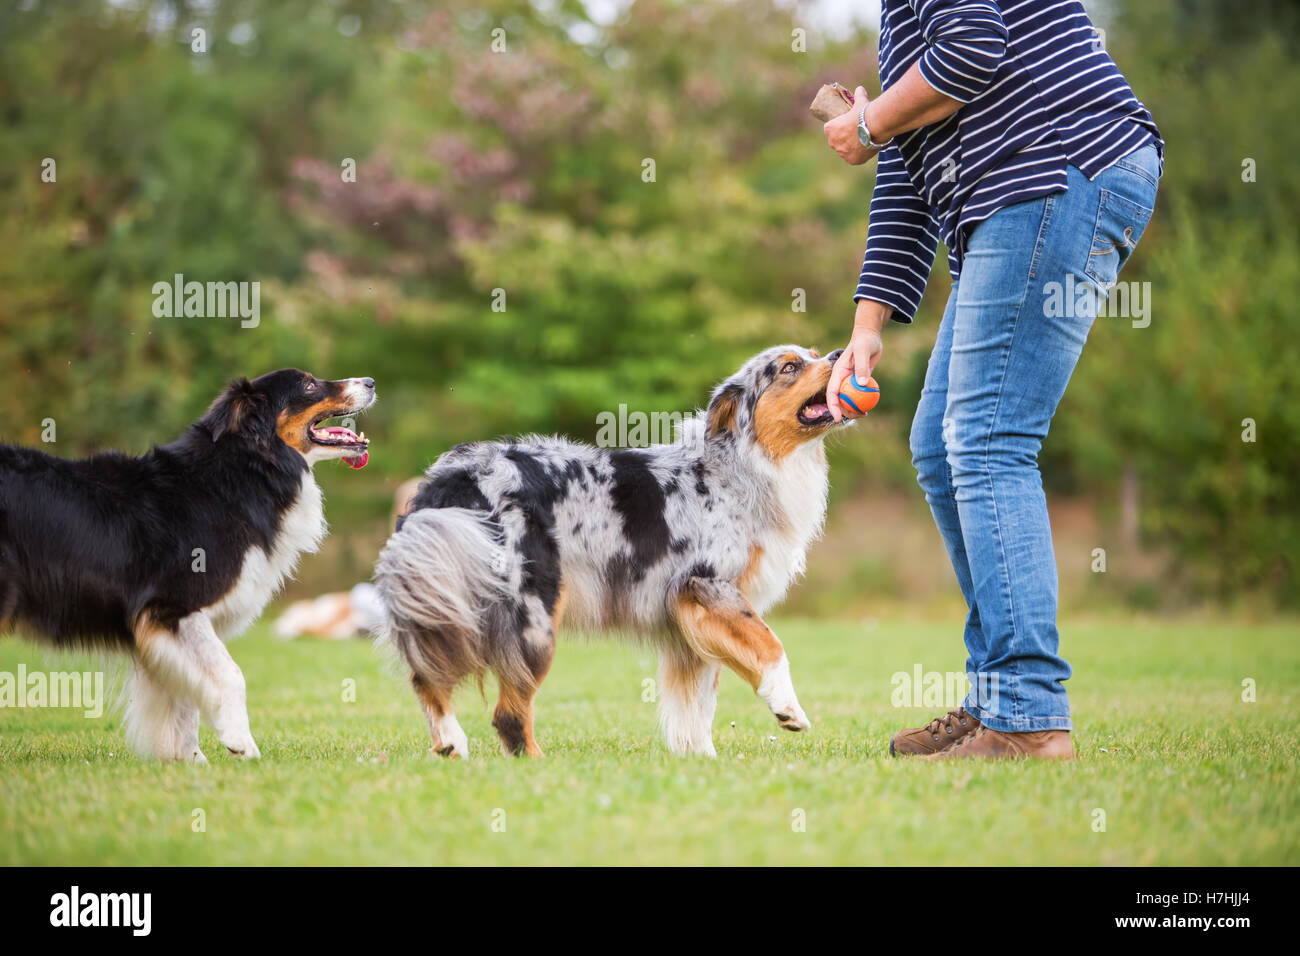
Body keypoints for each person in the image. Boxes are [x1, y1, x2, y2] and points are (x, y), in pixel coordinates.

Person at [823, 0, 1162, 760]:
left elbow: (976, 44)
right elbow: (910, 174)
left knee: (986, 439)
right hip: (1029, 188)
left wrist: (873, 121)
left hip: (1056, 167)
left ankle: (1028, 715)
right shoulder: (899, 17)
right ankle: (997, 698)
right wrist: (867, 328)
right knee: (943, 447)